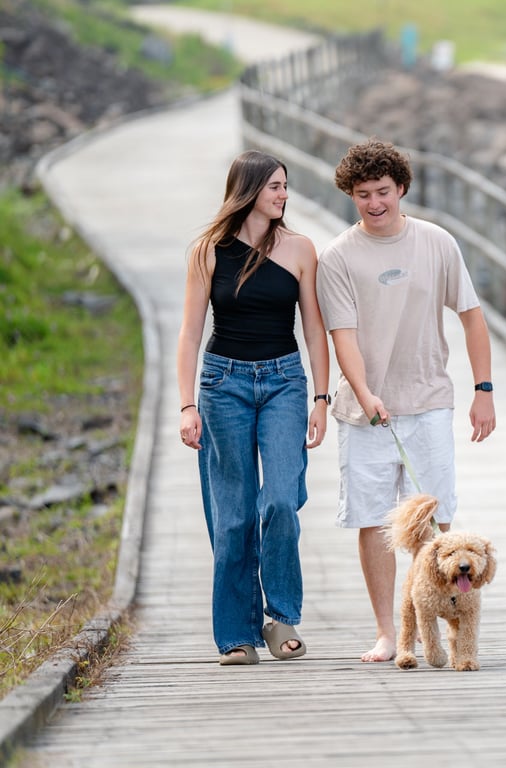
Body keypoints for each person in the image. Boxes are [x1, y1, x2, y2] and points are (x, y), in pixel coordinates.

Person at [316, 138, 496, 663]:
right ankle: (388, 633)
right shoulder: (338, 257)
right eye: (363, 195)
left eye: (383, 192)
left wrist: (483, 390)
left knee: (442, 516)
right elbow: (342, 336)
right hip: (363, 410)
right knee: (374, 520)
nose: (374, 204)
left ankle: (457, 625)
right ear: (351, 196)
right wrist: (367, 393)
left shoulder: (436, 243)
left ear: (402, 190)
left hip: (429, 400)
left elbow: (472, 316)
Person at [176, 150, 331, 666]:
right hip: (223, 385)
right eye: (274, 187)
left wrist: (321, 397)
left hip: (285, 381)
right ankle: (237, 635)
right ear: (247, 191)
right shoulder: (207, 252)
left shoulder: (302, 249)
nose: (283, 195)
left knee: (282, 499)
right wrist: (186, 405)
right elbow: (190, 333)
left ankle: (281, 615)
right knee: (233, 515)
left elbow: (313, 328)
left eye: (285, 186)